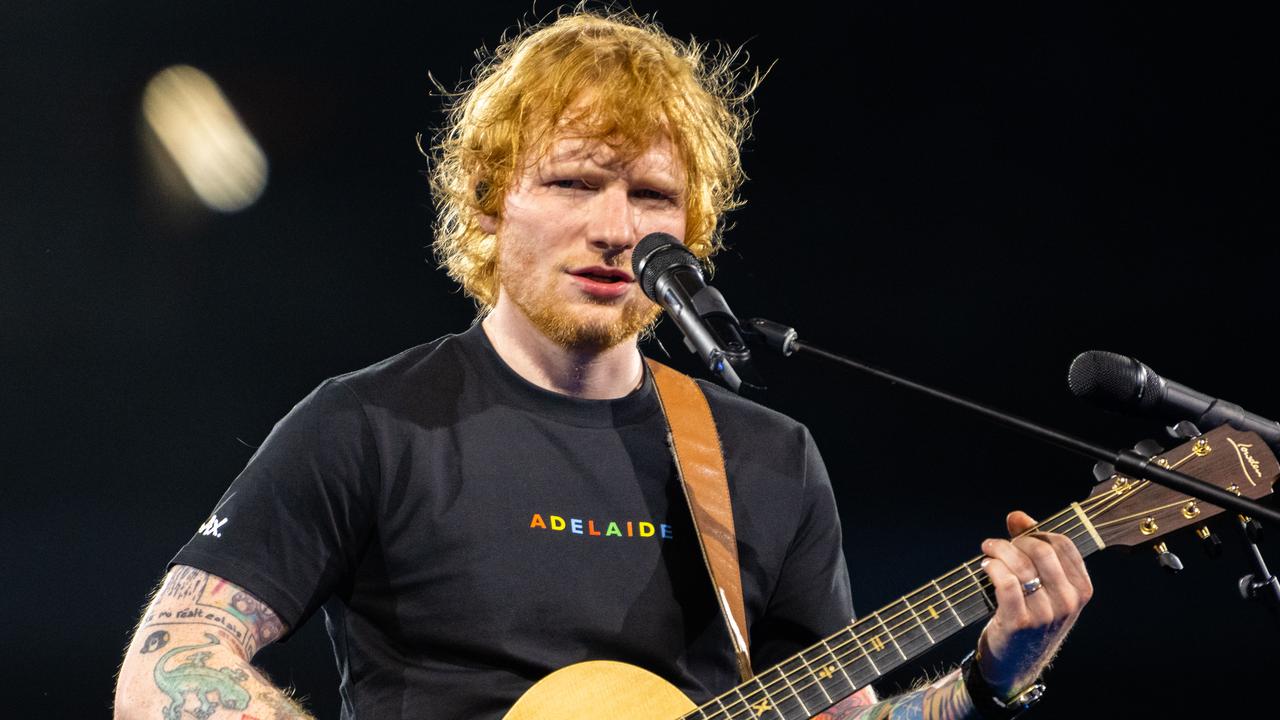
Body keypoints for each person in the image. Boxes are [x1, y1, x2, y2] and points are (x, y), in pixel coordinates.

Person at [113, 9, 1091, 720]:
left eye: (652, 196)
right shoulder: (369, 424)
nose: (615, 228)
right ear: (491, 205)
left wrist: (987, 681)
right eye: (573, 180)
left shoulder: (764, 459)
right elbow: (169, 660)